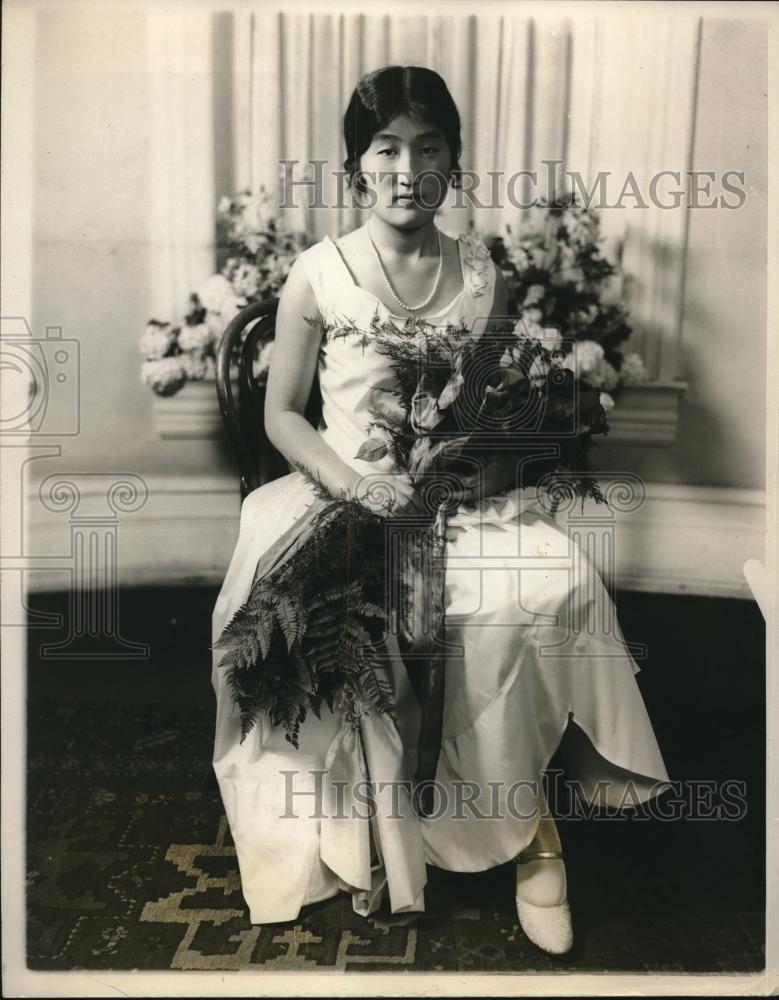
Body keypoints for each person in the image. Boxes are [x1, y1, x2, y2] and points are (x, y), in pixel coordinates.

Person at [211, 64, 672, 956]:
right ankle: (390, 822)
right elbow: (281, 414)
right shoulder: (320, 272)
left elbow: (481, 404)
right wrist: (352, 483)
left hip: (450, 496)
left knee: (542, 592)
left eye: (428, 147)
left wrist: (484, 462)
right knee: (377, 621)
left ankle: (522, 818)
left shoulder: (477, 268)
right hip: (341, 494)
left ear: (453, 162)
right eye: (386, 147)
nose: (406, 167)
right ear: (357, 164)